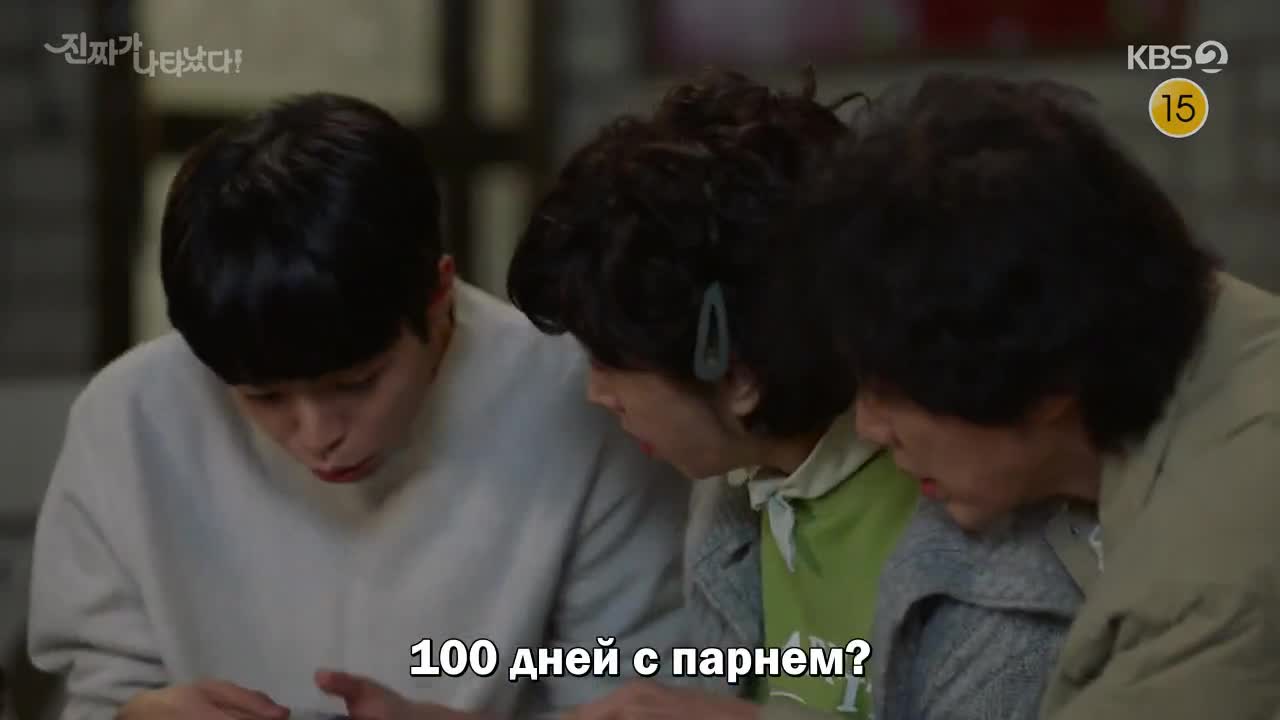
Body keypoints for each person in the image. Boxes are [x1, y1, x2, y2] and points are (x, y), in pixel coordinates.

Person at [26, 92, 690, 720]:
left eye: (356, 384)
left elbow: (638, 699)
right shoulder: (131, 419)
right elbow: (97, 691)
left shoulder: (583, 406)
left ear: (439, 296)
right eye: (264, 397)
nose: (318, 435)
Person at [506, 68, 1081, 720]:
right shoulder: (735, 500)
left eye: (610, 361)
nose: (596, 393)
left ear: (740, 377)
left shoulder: (982, 532)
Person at [791, 71, 1280, 719]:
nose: (869, 427)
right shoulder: (1197, 324)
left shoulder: (1210, 587)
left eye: (892, 391)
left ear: (1048, 382)